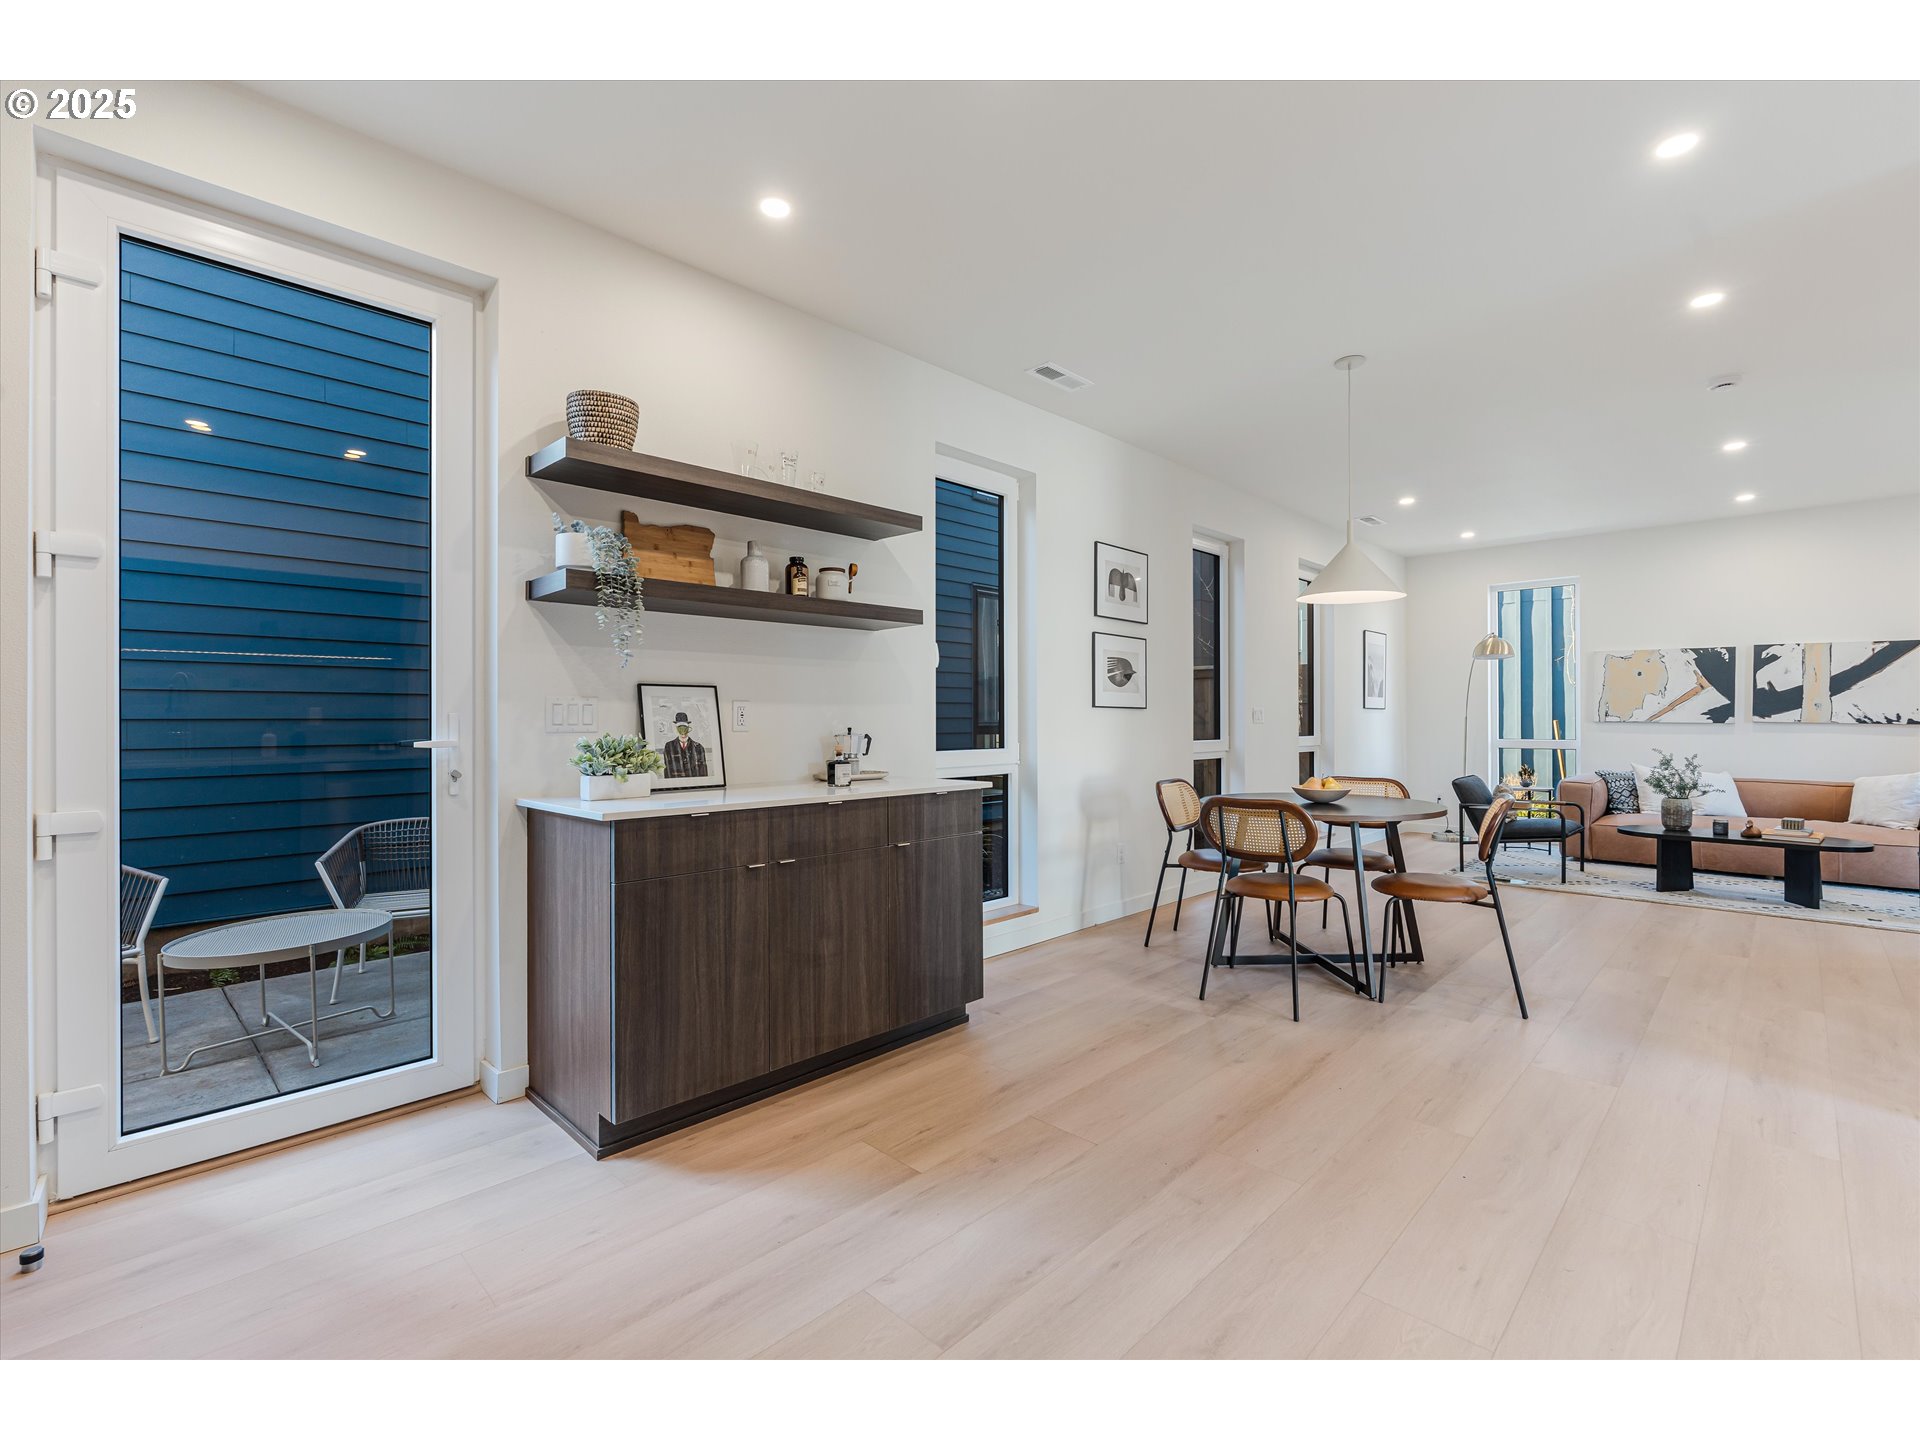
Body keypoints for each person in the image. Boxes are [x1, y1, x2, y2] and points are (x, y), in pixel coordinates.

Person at [662, 710, 708, 779]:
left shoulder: (699, 747)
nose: (683, 732)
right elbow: (667, 770)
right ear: (676, 728)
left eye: (685, 728)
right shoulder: (669, 746)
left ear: (688, 728)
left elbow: (703, 770)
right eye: (680, 728)